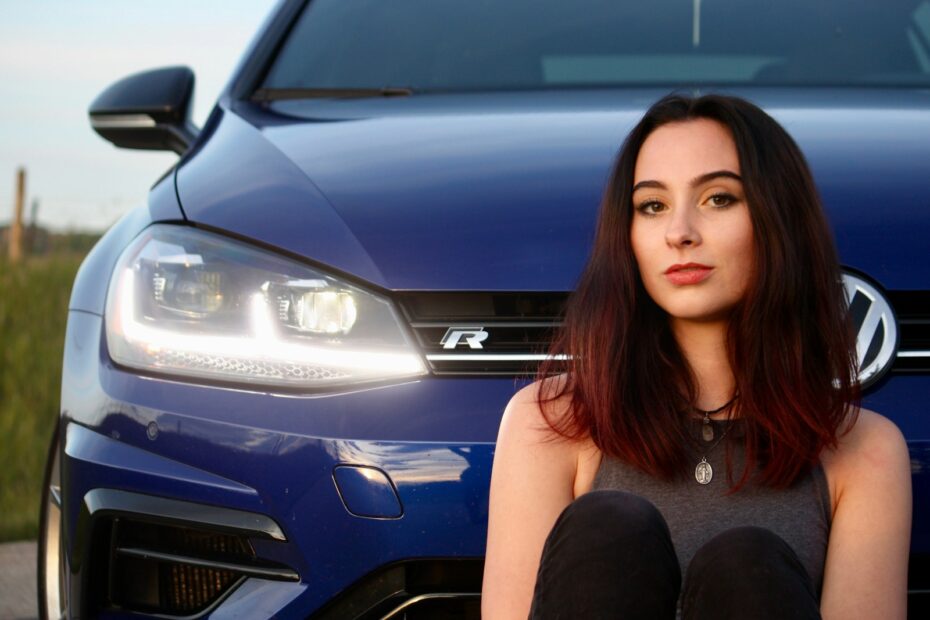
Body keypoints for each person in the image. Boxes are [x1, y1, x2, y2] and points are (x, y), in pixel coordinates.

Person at [481, 94, 911, 619]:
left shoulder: (864, 450)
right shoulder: (549, 422)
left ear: (779, 220)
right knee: (610, 527)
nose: (679, 232)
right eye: (652, 206)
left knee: (746, 565)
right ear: (628, 235)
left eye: (719, 199)